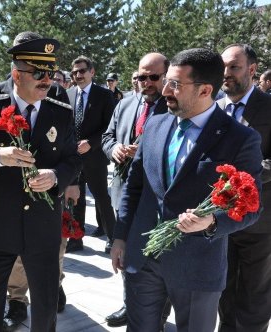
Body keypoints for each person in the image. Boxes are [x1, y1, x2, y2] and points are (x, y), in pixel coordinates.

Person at [110, 48, 263, 332]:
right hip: (142, 259)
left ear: (206, 90)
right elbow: (135, 186)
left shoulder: (240, 139)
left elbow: (251, 208)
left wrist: (212, 222)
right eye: (167, 81)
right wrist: (120, 238)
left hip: (197, 268)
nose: (165, 89)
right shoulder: (155, 125)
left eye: (176, 84)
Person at [0, 34, 82, 332]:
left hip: (42, 225)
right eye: (38, 73)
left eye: (50, 73)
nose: (47, 80)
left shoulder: (60, 113)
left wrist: (56, 177)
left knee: (46, 304)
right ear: (16, 75)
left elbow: (73, 160)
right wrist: (0, 155)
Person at [102, 53, 169, 328]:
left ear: (166, 76)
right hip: (125, 191)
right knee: (125, 251)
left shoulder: (175, 107)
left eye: (154, 77)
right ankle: (130, 303)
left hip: (156, 200)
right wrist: (114, 148)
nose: (147, 83)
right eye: (142, 77)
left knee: (154, 257)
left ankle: (157, 314)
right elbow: (107, 137)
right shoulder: (126, 104)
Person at [217, 43, 271, 332]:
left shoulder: (268, 107)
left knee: (254, 291)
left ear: (252, 70)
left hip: (260, 220)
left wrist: (240, 181)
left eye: (233, 67)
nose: (226, 74)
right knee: (223, 284)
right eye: (223, 67)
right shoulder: (216, 107)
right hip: (220, 219)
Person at [66, 55, 116, 252]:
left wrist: (92, 143)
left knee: (102, 199)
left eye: (82, 71)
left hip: (94, 158)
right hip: (73, 158)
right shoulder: (68, 94)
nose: (78, 75)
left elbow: (110, 126)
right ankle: (76, 239)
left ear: (92, 72)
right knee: (75, 200)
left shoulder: (104, 95)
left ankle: (113, 237)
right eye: (74, 72)